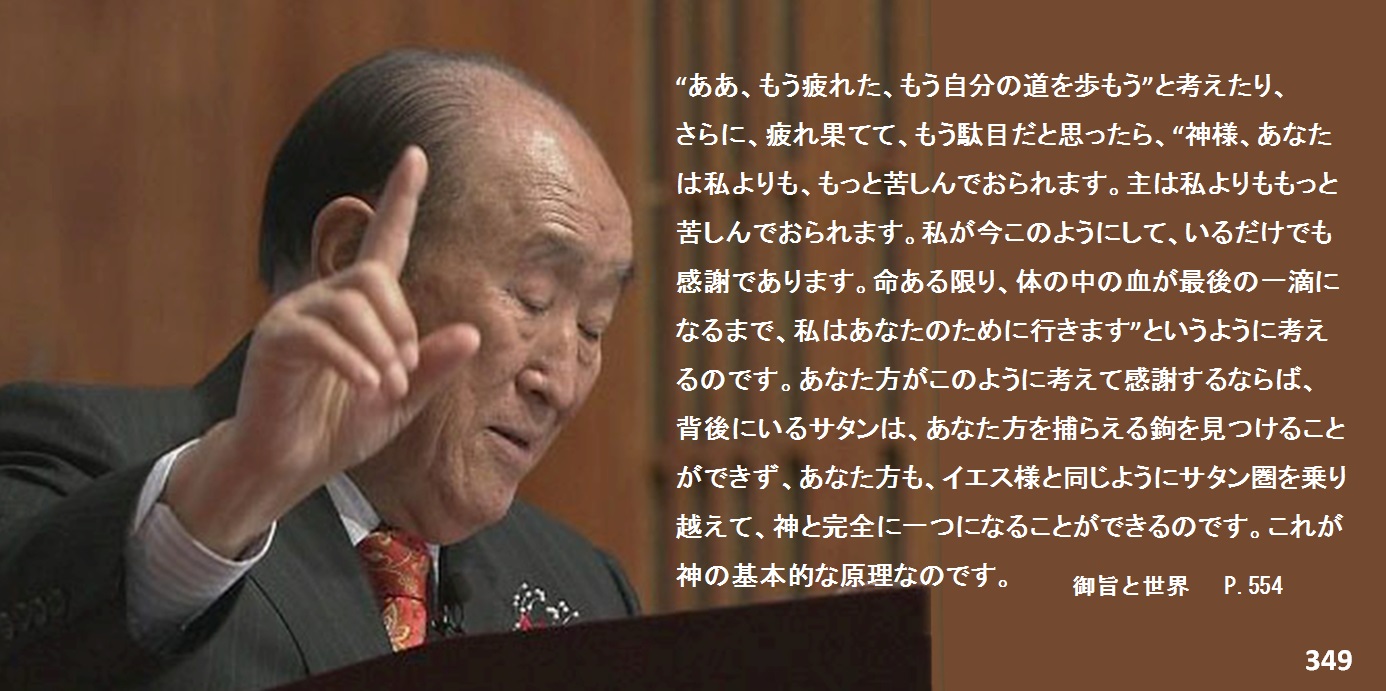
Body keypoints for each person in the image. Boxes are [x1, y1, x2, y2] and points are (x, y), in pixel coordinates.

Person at [0, 48, 639, 690]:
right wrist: (238, 485)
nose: (561, 385)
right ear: (350, 253)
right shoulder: (80, 455)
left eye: (594, 327)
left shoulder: (587, 589)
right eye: (532, 297)